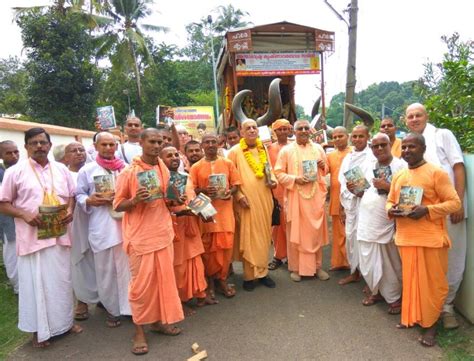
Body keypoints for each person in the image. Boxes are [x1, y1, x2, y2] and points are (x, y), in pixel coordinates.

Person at [0, 128, 82, 348]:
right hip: (32, 239)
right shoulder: (15, 172)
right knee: (36, 286)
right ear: (26, 146)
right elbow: (3, 203)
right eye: (34, 143)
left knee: (62, 283)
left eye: (43, 142)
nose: (39, 146)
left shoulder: (61, 169)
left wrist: (70, 211)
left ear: (49, 145)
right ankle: (39, 330)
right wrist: (24, 214)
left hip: (59, 236)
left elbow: (71, 196)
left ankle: (65, 323)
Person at [387, 133, 461, 347]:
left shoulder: (437, 173)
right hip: (406, 238)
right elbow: (391, 201)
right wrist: (392, 210)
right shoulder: (400, 176)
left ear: (423, 148)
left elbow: (454, 203)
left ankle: (431, 326)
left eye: (412, 147)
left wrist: (427, 210)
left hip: (431, 239)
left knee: (432, 285)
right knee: (411, 282)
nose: (407, 151)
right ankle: (411, 317)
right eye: (405, 147)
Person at [114, 128, 183, 356]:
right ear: (141, 143)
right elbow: (117, 205)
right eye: (152, 141)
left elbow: (166, 199)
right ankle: (139, 332)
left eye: (159, 142)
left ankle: (159, 322)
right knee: (141, 287)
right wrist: (134, 200)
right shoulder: (129, 172)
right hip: (141, 239)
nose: (156, 145)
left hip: (162, 234)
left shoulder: (162, 167)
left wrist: (174, 199)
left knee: (163, 282)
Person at [405, 103, 467, 329]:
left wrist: (458, 203)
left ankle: (447, 307)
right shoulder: (408, 145)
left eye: (418, 115)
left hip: (449, 209)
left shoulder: (442, 135)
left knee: (452, 258)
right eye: (410, 116)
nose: (414, 119)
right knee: (427, 262)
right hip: (421, 216)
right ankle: (425, 307)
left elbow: (458, 167)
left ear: (426, 116)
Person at [74, 132, 131, 327]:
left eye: (111, 145)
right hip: (101, 227)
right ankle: (113, 310)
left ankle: (130, 308)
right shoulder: (87, 170)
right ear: (96, 146)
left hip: (126, 226)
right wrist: (90, 200)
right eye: (104, 145)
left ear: (116, 147)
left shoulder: (126, 169)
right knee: (106, 271)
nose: (108, 148)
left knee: (128, 270)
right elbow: (79, 195)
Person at [274, 120, 330, 281]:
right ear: (294, 131)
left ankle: (317, 266)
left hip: (315, 198)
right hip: (296, 197)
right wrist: (295, 179)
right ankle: (297, 268)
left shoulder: (318, 148)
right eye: (300, 128)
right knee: (297, 233)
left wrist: (322, 165)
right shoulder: (286, 150)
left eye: (306, 128)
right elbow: (278, 172)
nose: (304, 131)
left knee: (314, 232)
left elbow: (326, 171)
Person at [358, 133, 405, 313]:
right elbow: (363, 191)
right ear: (371, 148)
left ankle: (394, 297)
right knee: (368, 262)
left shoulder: (401, 166)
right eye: (375, 146)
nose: (379, 149)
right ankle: (376, 291)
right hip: (366, 222)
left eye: (383, 145)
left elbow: (409, 196)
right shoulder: (369, 165)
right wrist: (355, 189)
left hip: (386, 223)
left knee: (389, 263)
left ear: (389, 145)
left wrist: (387, 187)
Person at [227, 119, 277, 291]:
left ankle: (263, 273)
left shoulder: (263, 148)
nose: (251, 130)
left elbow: (269, 169)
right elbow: (229, 177)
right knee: (249, 237)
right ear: (241, 132)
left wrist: (274, 181)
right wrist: (239, 195)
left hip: (264, 199)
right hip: (245, 202)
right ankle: (249, 276)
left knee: (263, 237)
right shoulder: (234, 151)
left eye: (254, 127)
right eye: (247, 128)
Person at [160, 145, 210, 314]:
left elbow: (193, 199)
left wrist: (206, 212)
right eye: (169, 155)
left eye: (176, 154)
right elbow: (161, 208)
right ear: (160, 159)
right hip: (175, 229)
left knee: (195, 261)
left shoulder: (185, 177)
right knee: (178, 266)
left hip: (191, 226)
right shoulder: (160, 180)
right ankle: (180, 300)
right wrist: (180, 212)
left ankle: (199, 293)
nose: (174, 158)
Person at [190, 134, 241, 299]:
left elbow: (236, 185)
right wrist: (203, 190)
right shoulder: (196, 167)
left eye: (213, 142)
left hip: (225, 212)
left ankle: (222, 280)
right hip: (206, 214)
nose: (211, 145)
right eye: (207, 142)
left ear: (218, 144)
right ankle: (210, 282)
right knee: (208, 250)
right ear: (202, 145)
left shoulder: (227, 163)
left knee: (225, 249)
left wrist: (229, 192)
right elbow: (192, 189)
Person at [338, 125, 375, 285]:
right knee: (351, 239)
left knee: (365, 240)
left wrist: (360, 191)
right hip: (350, 205)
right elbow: (341, 181)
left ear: (368, 137)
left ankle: (370, 279)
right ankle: (355, 272)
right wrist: (342, 207)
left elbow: (373, 182)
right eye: (355, 136)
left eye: (361, 136)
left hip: (366, 206)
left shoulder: (373, 157)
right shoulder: (348, 157)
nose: (357, 139)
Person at [266, 119, 291, 270]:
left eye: (285, 129)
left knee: (290, 224)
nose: (282, 132)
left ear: (289, 131)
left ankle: (291, 255)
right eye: (279, 129)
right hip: (275, 192)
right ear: (274, 132)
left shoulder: (294, 147)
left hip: (292, 190)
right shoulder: (268, 148)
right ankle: (278, 256)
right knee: (276, 226)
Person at [326, 127, 351, 271]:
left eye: (340, 136)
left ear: (347, 136)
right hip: (336, 197)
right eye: (334, 137)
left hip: (351, 198)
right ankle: (339, 262)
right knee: (338, 233)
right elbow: (325, 171)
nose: (337, 139)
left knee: (349, 232)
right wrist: (322, 165)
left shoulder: (354, 153)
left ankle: (352, 263)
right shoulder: (330, 155)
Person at [0, 140, 20, 293]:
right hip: (8, 222)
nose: (14, 156)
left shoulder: (23, 169)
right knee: (12, 253)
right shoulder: (3, 173)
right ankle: (17, 287)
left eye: (16, 152)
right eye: (9, 153)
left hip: (26, 222)